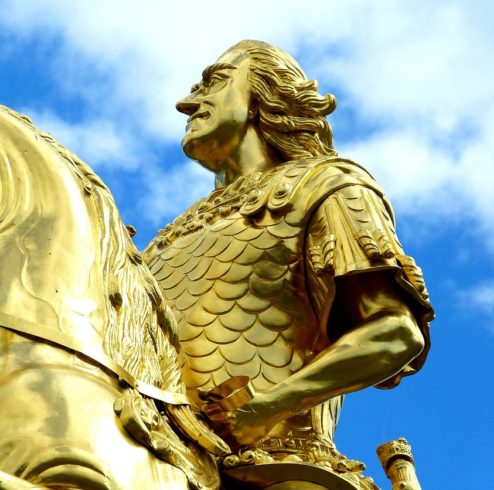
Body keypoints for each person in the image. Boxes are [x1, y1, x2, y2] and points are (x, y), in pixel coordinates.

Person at [143, 40, 433, 488]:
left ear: (265, 96)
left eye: (213, 81)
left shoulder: (327, 186)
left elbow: (394, 333)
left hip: (276, 466)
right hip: (156, 448)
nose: (188, 102)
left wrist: (268, 407)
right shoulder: (167, 236)